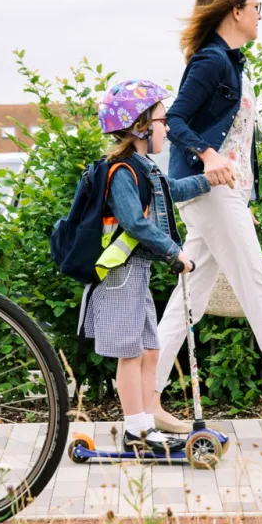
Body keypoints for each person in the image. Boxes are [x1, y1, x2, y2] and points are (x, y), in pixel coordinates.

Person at [152, 0, 262, 433]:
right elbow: (174, 119)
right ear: (234, 10)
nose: (261, 15)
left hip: (224, 194)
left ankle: (146, 402)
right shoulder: (211, 62)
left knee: (188, 300)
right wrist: (208, 153)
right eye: (257, 6)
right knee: (258, 287)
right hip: (208, 189)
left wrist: (243, 195)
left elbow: (239, 137)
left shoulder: (233, 62)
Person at [80, 79, 215, 453]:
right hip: (119, 274)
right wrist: (176, 252)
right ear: (140, 125)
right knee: (131, 353)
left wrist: (209, 180)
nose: (167, 127)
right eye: (162, 119)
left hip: (136, 272)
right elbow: (134, 223)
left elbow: (171, 191)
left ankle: (143, 427)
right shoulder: (121, 171)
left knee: (149, 351)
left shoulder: (144, 169)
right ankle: (136, 430)